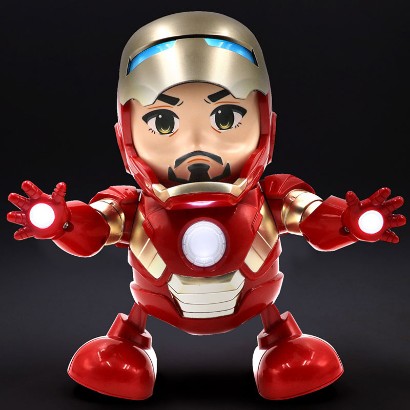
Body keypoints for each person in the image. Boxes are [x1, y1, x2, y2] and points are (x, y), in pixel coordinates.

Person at [7, 11, 405, 401]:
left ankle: (280, 343)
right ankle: (128, 343)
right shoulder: (131, 203)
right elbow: (94, 227)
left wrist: (349, 222)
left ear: (266, 125)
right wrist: (61, 221)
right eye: (164, 123)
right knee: (114, 364)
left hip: (253, 299)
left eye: (226, 117)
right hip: (159, 302)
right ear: (126, 136)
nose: (196, 144)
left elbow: (313, 218)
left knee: (296, 363)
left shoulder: (272, 195)